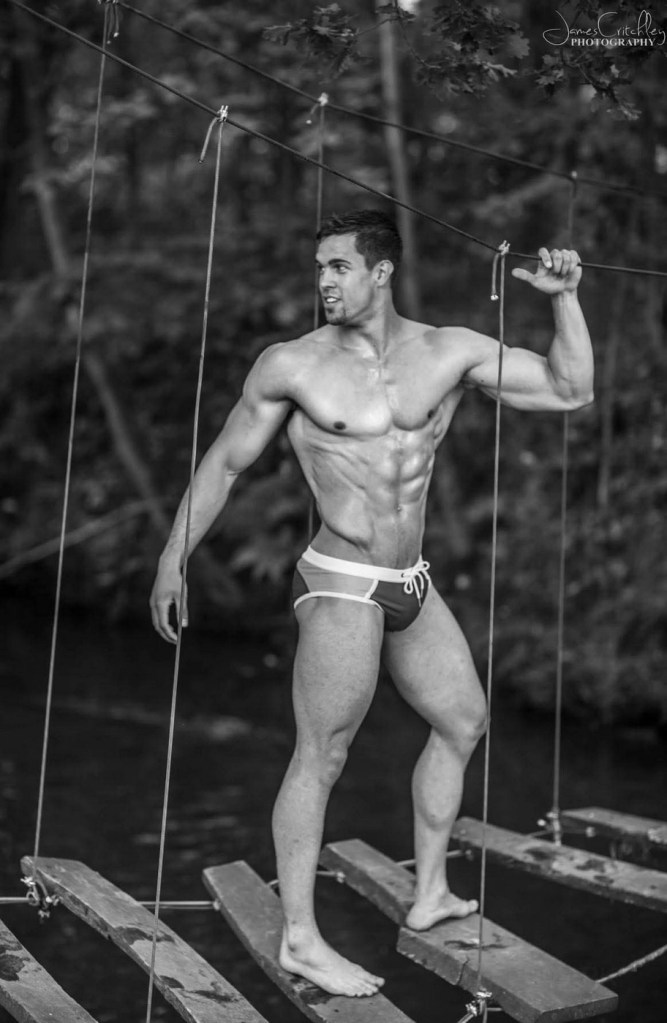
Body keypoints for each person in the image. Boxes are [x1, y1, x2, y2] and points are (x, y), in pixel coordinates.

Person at [150, 209, 594, 998]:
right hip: (339, 580)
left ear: (380, 271)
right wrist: (170, 558)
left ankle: (429, 892)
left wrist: (563, 299)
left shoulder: (447, 351)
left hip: (408, 579)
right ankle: (300, 938)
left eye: (339, 266)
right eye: (319, 267)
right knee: (321, 753)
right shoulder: (292, 365)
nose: (323, 280)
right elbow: (224, 463)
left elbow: (570, 389)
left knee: (462, 719)